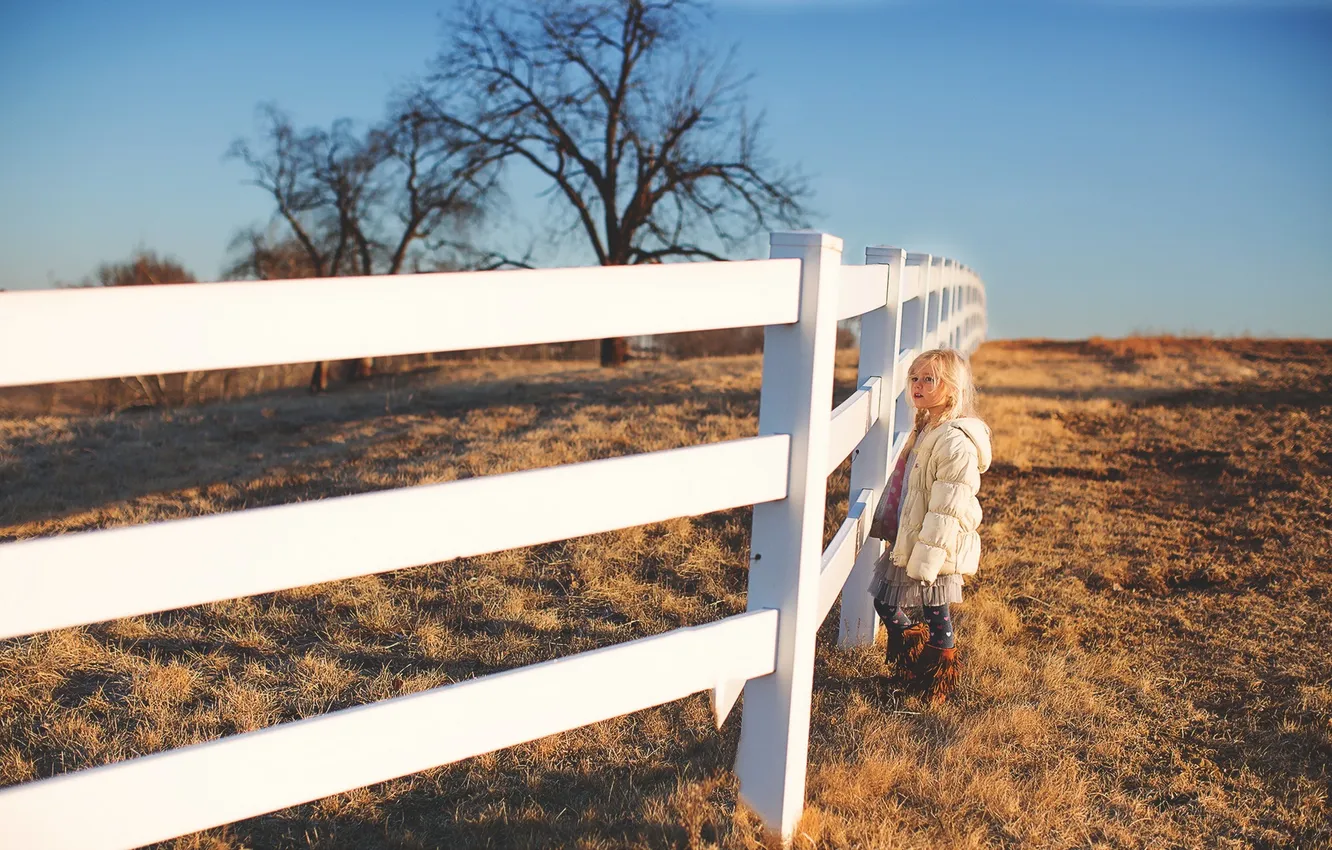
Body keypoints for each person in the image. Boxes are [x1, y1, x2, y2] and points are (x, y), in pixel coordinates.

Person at [867, 348, 992, 705]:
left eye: (929, 379)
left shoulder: (954, 441)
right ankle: (912, 663)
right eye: (914, 378)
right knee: (886, 602)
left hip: (937, 542)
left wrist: (929, 554)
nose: (918, 385)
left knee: (937, 614)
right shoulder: (926, 428)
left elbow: (947, 507)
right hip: (916, 535)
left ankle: (937, 680)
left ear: (951, 389)